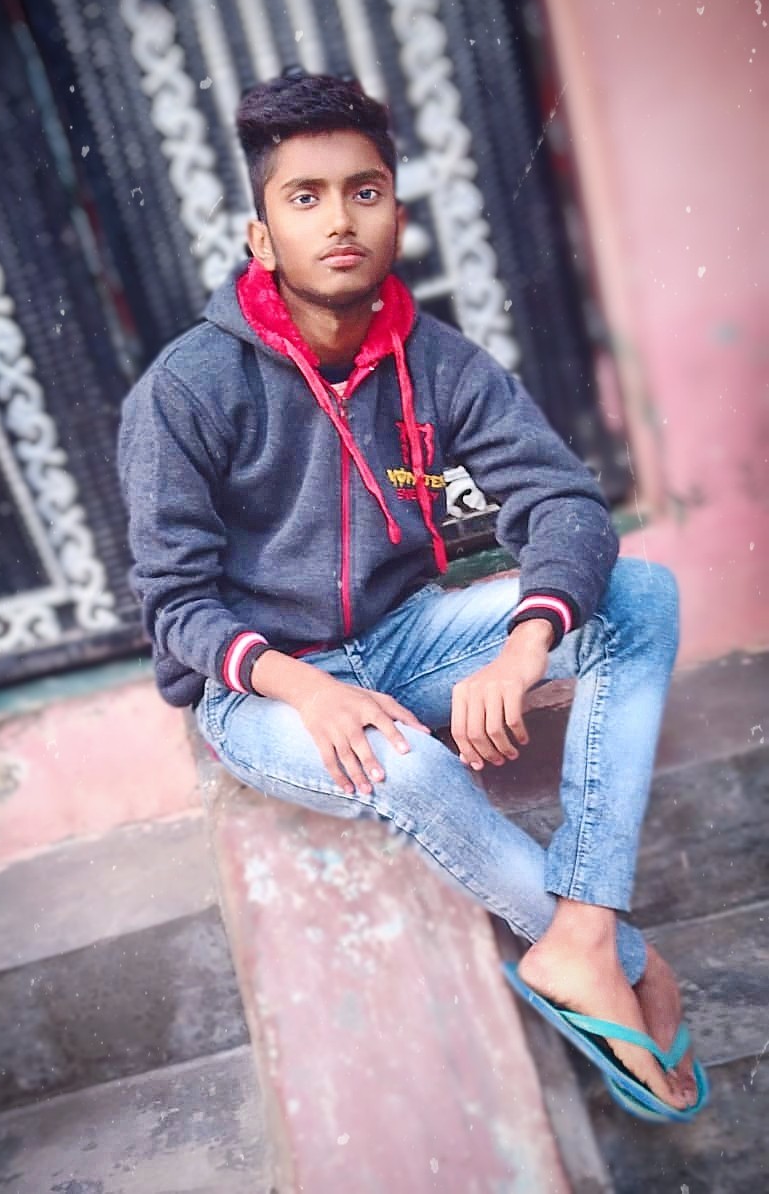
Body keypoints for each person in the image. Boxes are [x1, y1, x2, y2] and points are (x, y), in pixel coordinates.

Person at [118, 70, 703, 1117]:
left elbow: (562, 501)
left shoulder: (434, 362)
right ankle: (615, 956)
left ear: (395, 213)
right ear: (260, 236)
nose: (339, 220)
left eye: (364, 191)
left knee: (642, 595)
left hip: (402, 638)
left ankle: (580, 930)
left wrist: (523, 644)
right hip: (260, 694)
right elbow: (172, 602)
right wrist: (307, 689)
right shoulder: (186, 389)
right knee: (407, 762)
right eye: (304, 197)